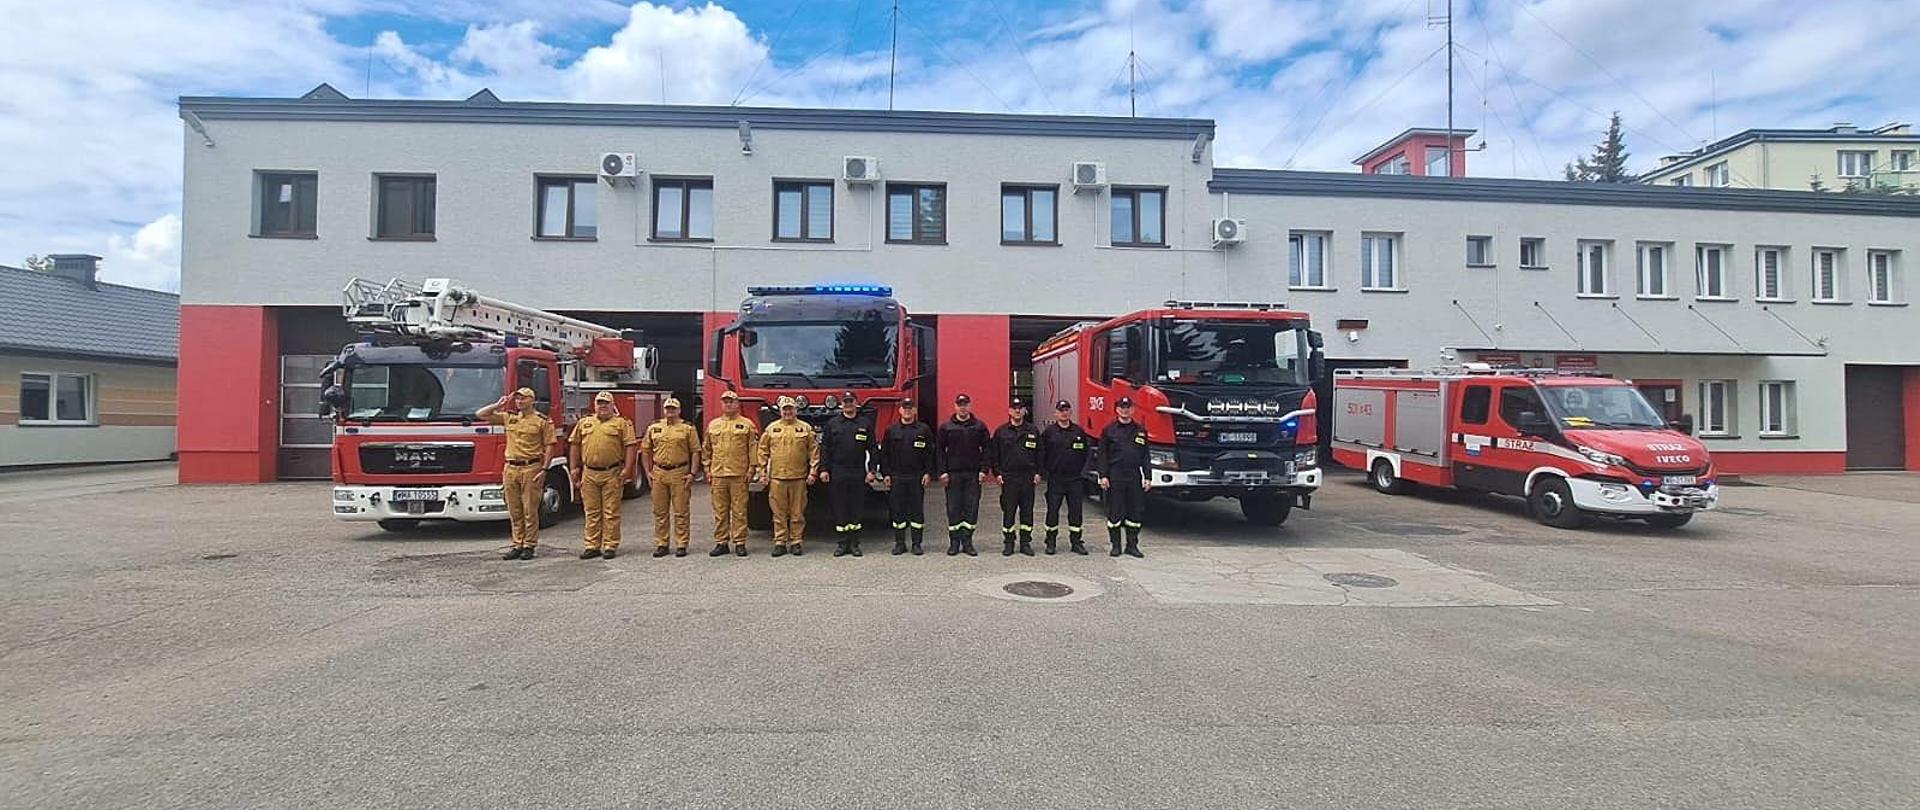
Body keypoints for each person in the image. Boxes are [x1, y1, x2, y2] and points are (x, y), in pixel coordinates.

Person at [476, 387, 556, 560]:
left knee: (530, 509)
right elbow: (480, 414)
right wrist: (497, 405)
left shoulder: (542, 421)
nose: (519, 402)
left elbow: (550, 445)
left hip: (531, 467)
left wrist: (545, 469)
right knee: (514, 509)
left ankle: (529, 545)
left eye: (523, 399)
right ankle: (517, 543)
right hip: (511, 468)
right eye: (518, 399)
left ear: (532, 400)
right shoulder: (509, 417)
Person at [568, 391, 638, 559]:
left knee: (611, 512)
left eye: (606, 403)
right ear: (595, 405)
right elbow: (575, 445)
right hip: (589, 473)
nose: (603, 406)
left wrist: (627, 470)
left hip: (611, 472)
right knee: (591, 511)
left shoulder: (622, 424)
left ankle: (610, 545)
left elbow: (630, 447)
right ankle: (592, 545)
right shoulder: (584, 423)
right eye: (600, 403)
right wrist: (573, 467)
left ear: (612, 405)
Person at [757, 396, 820, 556]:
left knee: (797, 512)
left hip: (798, 477)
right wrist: (762, 473)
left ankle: (796, 541)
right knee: (778, 513)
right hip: (777, 478)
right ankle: (780, 542)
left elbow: (814, 452)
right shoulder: (771, 429)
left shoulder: (805, 429)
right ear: (780, 411)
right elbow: (762, 452)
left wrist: (813, 471)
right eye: (785, 409)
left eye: (790, 409)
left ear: (796, 410)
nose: (788, 412)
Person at [639, 396, 700, 558]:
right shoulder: (654, 428)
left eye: (673, 408)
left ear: (679, 410)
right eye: (668, 408)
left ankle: (681, 544)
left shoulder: (688, 428)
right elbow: (645, 450)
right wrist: (648, 472)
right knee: (660, 512)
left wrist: (693, 473)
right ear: (664, 410)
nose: (670, 411)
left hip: (680, 472)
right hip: (659, 472)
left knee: (681, 511)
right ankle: (662, 543)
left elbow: (695, 451)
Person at [703, 390, 759, 557]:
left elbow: (752, 448)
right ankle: (721, 542)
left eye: (731, 401)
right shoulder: (713, 425)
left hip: (739, 474)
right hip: (718, 473)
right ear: (721, 404)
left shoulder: (747, 424)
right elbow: (707, 449)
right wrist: (707, 469)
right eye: (725, 402)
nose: (728, 404)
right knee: (720, 511)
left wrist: (751, 469)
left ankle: (740, 542)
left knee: (739, 510)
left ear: (737, 404)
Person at [935, 393, 991, 556]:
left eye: (965, 404)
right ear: (955, 406)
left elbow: (988, 449)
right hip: (953, 475)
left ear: (970, 406)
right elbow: (939, 451)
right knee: (953, 509)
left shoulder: (979, 427)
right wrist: (942, 472)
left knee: (971, 508)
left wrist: (984, 470)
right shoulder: (946, 428)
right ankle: (954, 542)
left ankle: (967, 542)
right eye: (960, 404)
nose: (963, 407)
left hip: (973, 474)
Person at [820, 391, 875, 558]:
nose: (848, 404)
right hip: (838, 471)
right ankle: (842, 544)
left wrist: (872, 470)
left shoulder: (865, 424)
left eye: (851, 401)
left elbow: (872, 448)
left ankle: (855, 544)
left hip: (858, 471)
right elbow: (825, 449)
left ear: (856, 403)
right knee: (840, 507)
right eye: (845, 402)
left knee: (856, 507)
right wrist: (824, 469)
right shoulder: (832, 424)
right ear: (841, 404)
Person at [878, 398, 936, 555]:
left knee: (917, 511)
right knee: (898, 511)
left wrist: (928, 473)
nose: (907, 411)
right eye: (905, 408)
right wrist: (886, 474)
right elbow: (885, 454)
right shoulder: (892, 430)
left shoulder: (923, 430)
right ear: (900, 410)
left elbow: (931, 454)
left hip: (917, 477)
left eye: (910, 408)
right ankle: (900, 543)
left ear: (915, 411)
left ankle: (917, 544)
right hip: (897, 477)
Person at [1038, 398, 1095, 555]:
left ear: (1070, 412)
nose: (1063, 413)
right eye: (1060, 410)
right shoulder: (1049, 432)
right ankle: (1050, 543)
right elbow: (1041, 453)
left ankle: (1076, 542)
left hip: (1075, 479)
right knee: (1052, 511)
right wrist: (1043, 473)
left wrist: (1084, 472)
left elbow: (1087, 454)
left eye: (1066, 410)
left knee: (1076, 512)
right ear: (1055, 413)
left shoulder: (1079, 432)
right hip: (1055, 479)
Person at [1097, 396, 1151, 558]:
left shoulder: (1140, 430)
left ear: (1132, 409)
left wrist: (1148, 476)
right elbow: (1102, 455)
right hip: (1115, 475)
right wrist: (1103, 475)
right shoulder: (1109, 430)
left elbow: (1145, 456)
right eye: (1122, 407)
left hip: (1134, 475)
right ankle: (1116, 546)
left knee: (1135, 512)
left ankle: (1132, 545)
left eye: (1128, 407)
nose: (1125, 410)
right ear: (1116, 410)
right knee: (1115, 512)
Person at [988, 398, 1042, 556]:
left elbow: (1040, 453)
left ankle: (1025, 543)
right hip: (1008, 477)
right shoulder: (1001, 431)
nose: (1017, 411)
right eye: (1014, 408)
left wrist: (1039, 473)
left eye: (1020, 408)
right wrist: (997, 473)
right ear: (1009, 411)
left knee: (1027, 511)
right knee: (1009, 511)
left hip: (1027, 477)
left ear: (1025, 411)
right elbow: (994, 455)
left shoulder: (1033, 431)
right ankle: (1009, 543)